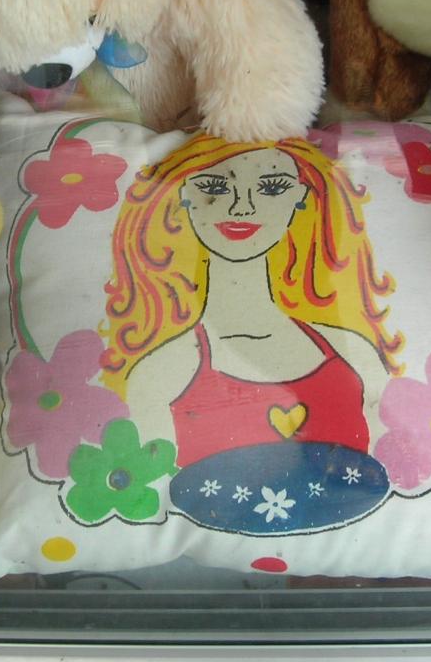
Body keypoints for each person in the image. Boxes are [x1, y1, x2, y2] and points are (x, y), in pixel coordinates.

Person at [97, 136, 401, 530]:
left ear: (300, 198)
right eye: (215, 187)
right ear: (182, 195)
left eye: (271, 187)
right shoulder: (163, 372)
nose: (242, 207)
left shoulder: (355, 357)